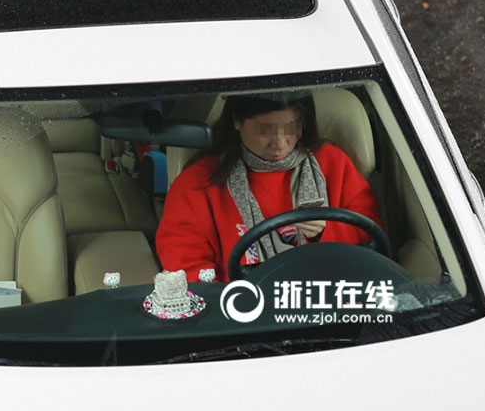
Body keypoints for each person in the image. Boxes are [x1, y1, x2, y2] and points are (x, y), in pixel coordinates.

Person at [156, 92, 382, 282]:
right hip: (243, 312)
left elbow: (371, 238)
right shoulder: (198, 182)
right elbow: (187, 266)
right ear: (236, 120)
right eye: (265, 130)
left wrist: (328, 232)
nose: (280, 143)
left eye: (292, 128)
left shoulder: (332, 163)